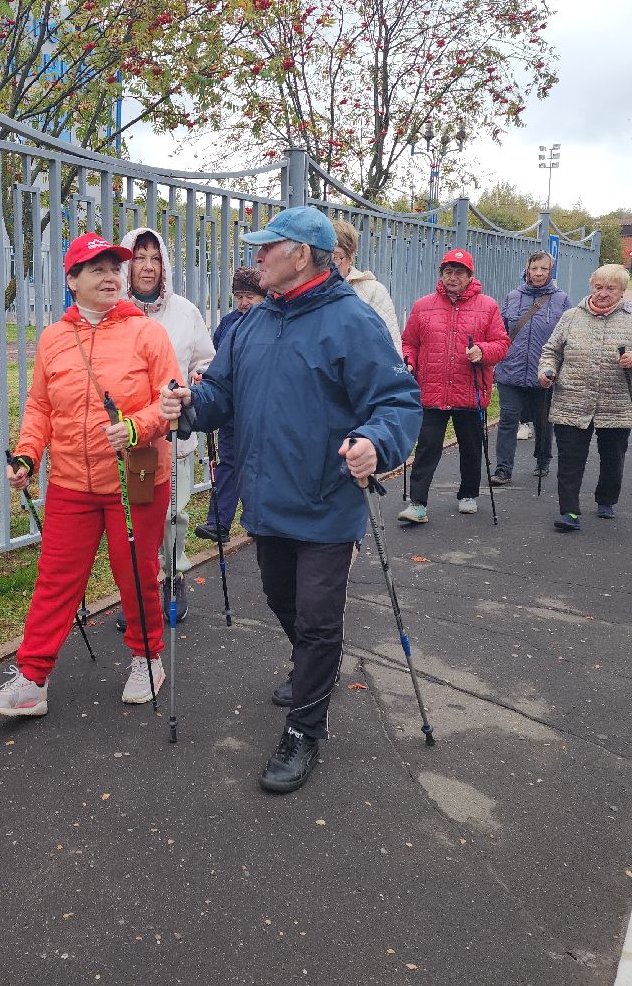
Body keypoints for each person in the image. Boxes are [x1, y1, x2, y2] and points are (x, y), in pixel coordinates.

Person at [159, 206, 420, 794]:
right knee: (282, 599)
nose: (255, 258)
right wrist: (191, 407)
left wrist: (375, 443)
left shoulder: (352, 322)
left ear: (301, 254)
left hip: (328, 500)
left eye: (265, 248)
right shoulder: (251, 322)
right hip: (267, 496)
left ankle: (305, 727)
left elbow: (398, 402)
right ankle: (311, 671)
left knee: (319, 617)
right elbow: (221, 391)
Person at [0, 233, 180, 718]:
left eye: (116, 268)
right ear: (72, 280)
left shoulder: (147, 333)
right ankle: (31, 678)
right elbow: (40, 407)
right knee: (55, 580)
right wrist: (27, 455)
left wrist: (136, 427)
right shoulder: (53, 338)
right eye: (98, 269)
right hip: (70, 482)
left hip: (137, 476)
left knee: (135, 575)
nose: (112, 276)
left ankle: (147, 657)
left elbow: (170, 400)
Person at [120, 227, 216, 623]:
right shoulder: (115, 314)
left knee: (173, 514)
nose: (147, 267)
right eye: (139, 258)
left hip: (173, 434)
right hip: (127, 436)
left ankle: (173, 577)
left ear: (165, 265)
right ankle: (138, 591)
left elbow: (205, 360)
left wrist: (199, 379)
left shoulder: (185, 311)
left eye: (154, 258)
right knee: (133, 519)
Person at [537, 264, 632, 531]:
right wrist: (547, 371)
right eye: (598, 287)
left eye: (610, 288)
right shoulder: (571, 316)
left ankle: (606, 499)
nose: (602, 293)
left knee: (613, 456)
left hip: (616, 402)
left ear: (623, 291)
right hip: (572, 398)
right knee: (570, 457)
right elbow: (551, 351)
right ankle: (569, 512)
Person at [397, 248, 509, 522]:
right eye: (448, 271)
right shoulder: (423, 305)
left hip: (469, 389)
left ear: (470, 276)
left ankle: (468, 494)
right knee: (427, 447)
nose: (453, 277)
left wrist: (483, 351)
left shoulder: (488, 306)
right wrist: (409, 360)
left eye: (459, 272)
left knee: (471, 447)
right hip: (432, 390)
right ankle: (417, 503)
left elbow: (502, 344)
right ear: (441, 275)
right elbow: (409, 341)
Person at [194, 267, 265, 543]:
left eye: (250, 296)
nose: (244, 302)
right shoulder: (228, 323)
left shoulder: (268, 321)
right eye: (239, 296)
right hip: (230, 409)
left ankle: (257, 518)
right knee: (227, 464)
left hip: (257, 410)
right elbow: (214, 360)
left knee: (256, 467)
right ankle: (219, 522)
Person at [491, 251, 571, 486]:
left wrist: (558, 366)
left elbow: (567, 336)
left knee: (543, 419)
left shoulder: (561, 300)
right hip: (511, 369)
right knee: (508, 419)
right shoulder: (513, 297)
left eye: (543, 269)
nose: (538, 273)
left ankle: (543, 458)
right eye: (534, 268)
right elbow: (501, 330)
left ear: (550, 271)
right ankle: (503, 469)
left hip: (543, 370)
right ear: (527, 269)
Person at [330, 218, 401, 351]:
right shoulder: (309, 289)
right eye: (325, 257)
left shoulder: (372, 291)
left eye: (336, 257)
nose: (330, 265)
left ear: (351, 256)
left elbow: (391, 346)